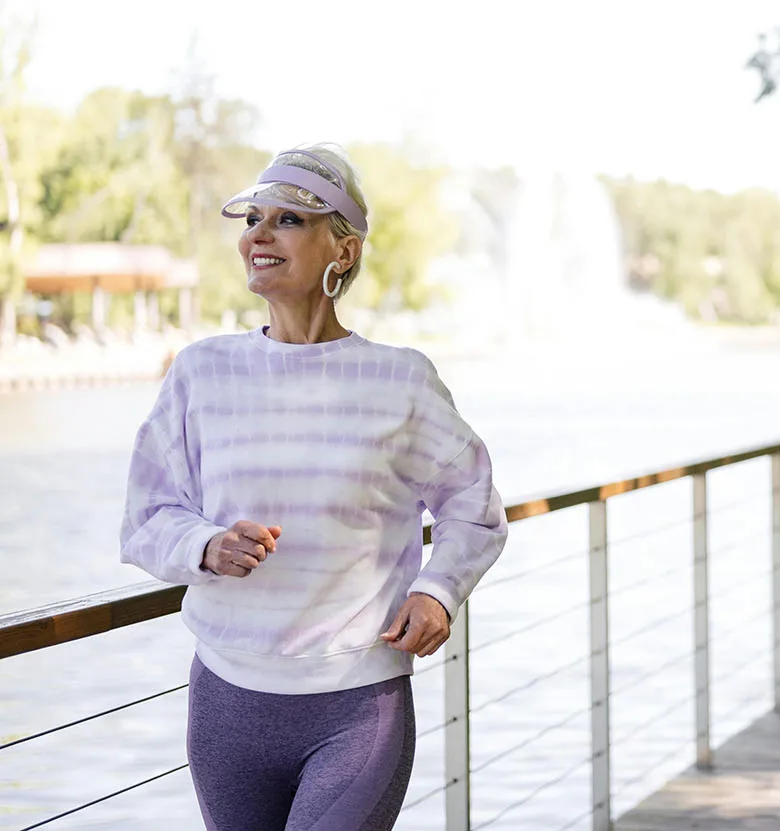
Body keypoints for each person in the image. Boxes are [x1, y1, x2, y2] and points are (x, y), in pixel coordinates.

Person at [119, 144, 509, 831]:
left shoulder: (400, 380)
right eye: (252, 218)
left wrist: (437, 590)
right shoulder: (201, 373)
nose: (258, 235)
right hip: (226, 703)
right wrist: (207, 544)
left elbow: (471, 505)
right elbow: (147, 514)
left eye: (290, 220)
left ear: (344, 251)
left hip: (356, 706)